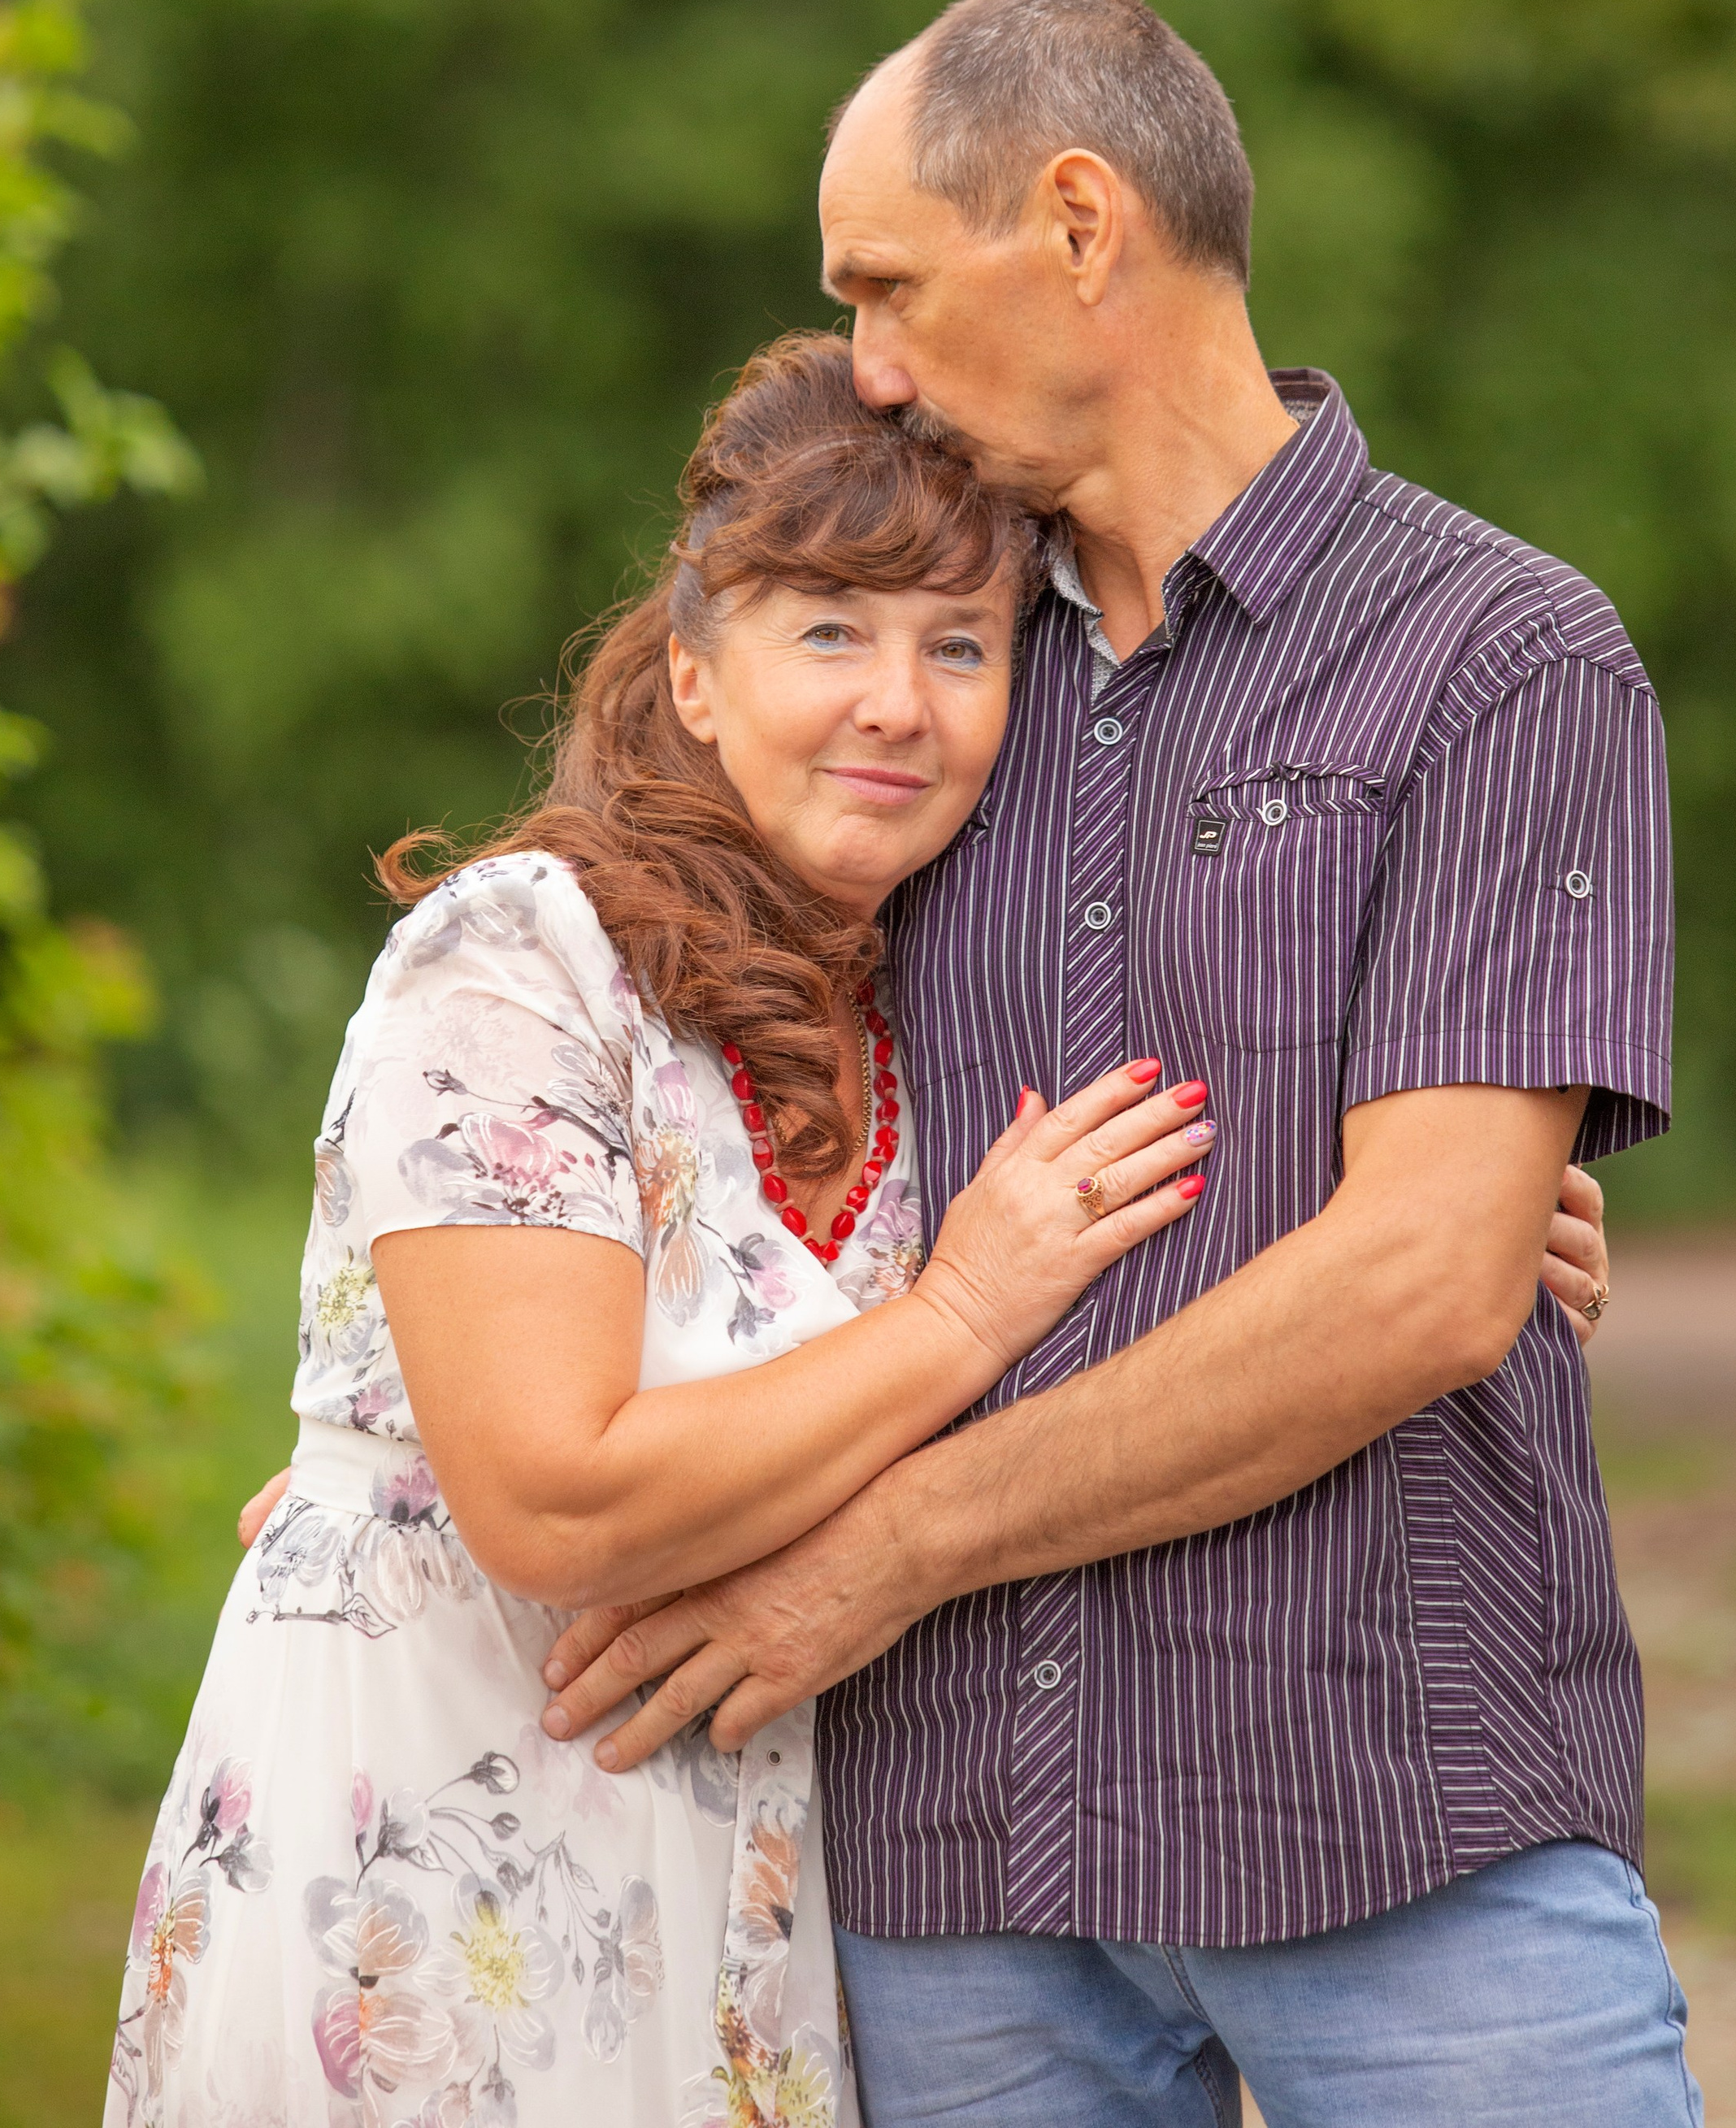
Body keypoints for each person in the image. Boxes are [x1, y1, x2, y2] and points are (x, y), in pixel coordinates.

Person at [536, 0, 1696, 2127]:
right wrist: (416, 1458)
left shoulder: (1503, 659)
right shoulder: (916, 690)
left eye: (886, 288)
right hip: (955, 1856)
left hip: (1401, 1821)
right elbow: (639, 1093)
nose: (865, 369)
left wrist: (886, 1548)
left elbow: (1429, 1282)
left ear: (1080, 226)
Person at [106, 337, 1223, 2128]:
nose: (898, 704)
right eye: (830, 632)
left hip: (732, 1897)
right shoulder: (520, 960)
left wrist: (1493, 1212)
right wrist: (954, 1315)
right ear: (695, 677)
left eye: (960, 646)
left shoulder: (931, 1006)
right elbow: (550, 1493)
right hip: (423, 1869)